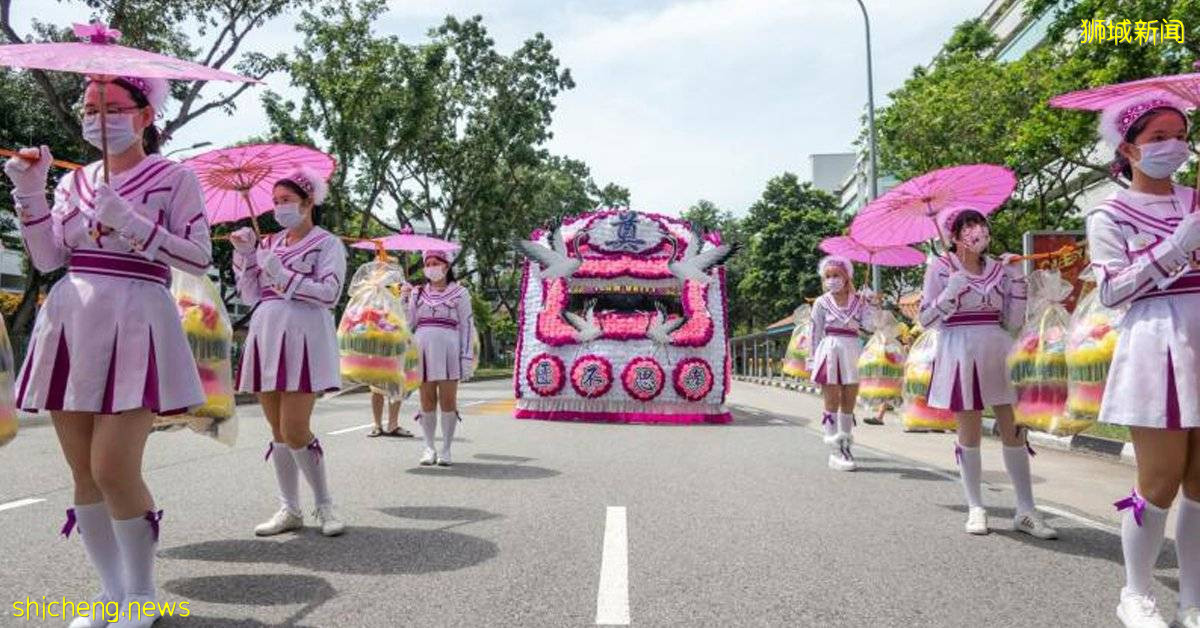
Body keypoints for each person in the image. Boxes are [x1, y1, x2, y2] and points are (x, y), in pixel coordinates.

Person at [5, 75, 209, 627]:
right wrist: (31, 192)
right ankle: (112, 593)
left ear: (144, 115)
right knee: (84, 474)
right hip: (72, 319)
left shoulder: (176, 178)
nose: (99, 118)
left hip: (139, 318)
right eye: (90, 108)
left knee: (114, 467)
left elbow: (198, 258)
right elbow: (50, 258)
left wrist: (134, 223)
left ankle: (142, 595)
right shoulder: (75, 181)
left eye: (113, 107)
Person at [1085, 94, 1200, 628]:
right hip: (1157, 341)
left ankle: (1192, 598)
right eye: (1158, 137)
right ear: (1129, 148)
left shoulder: (1197, 198)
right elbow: (1111, 292)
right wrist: (1177, 245)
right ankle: (1136, 593)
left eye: (1180, 134)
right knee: (1160, 479)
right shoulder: (1108, 214)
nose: (1172, 145)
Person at [918, 209, 1057, 540]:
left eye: (980, 225)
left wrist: (1018, 278)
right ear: (953, 236)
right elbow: (926, 319)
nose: (976, 232)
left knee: (1015, 429)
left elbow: (1013, 318)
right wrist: (950, 292)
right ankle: (976, 505)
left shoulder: (999, 267)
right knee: (970, 430)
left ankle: (1025, 508)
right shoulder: (940, 268)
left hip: (998, 347)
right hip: (959, 349)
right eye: (967, 227)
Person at [230, 167, 347, 538]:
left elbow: (329, 293)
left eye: (287, 201)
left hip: (304, 336)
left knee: (295, 427)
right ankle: (289, 507)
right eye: (276, 202)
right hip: (266, 333)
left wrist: (283, 274)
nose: (279, 208)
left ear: (309, 201)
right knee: (277, 430)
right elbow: (250, 294)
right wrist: (247, 256)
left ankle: (325, 504)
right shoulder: (269, 244)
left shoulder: (328, 243)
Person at [401, 250, 474, 466]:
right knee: (427, 400)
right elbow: (409, 323)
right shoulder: (417, 293)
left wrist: (466, 357)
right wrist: (404, 299)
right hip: (423, 349)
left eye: (436, 263)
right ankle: (429, 447)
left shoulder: (460, 293)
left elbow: (467, 325)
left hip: (450, 350)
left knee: (448, 401)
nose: (431, 267)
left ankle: (446, 449)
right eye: (428, 263)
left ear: (447, 266)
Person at [807, 255, 876, 471]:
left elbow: (871, 327)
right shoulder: (821, 302)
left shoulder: (859, 301)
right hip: (829, 351)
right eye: (828, 276)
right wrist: (811, 359)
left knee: (848, 401)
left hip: (852, 350)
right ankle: (834, 445)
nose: (832, 279)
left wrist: (871, 305)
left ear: (846, 277)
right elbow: (815, 331)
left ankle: (845, 446)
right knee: (832, 399)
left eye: (836, 275)